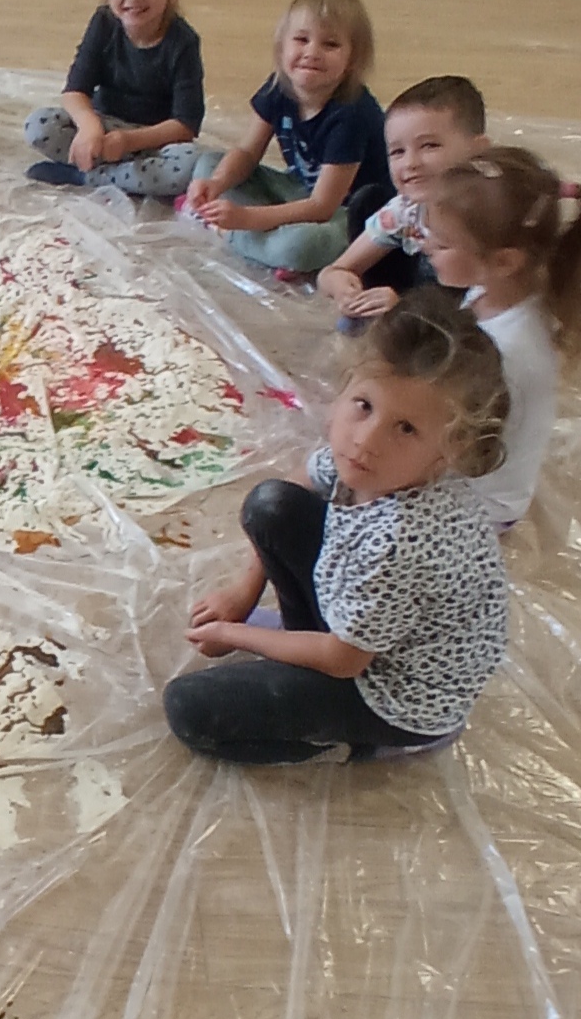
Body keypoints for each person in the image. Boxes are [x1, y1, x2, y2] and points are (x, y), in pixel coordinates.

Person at [163, 290, 508, 765]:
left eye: (406, 429)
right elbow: (296, 486)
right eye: (363, 405)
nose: (365, 440)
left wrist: (233, 634)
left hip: (392, 694)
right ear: (344, 390)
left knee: (189, 709)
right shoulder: (373, 465)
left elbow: (344, 661)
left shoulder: (401, 542)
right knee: (270, 503)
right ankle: (303, 637)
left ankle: (366, 742)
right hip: (365, 630)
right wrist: (243, 593)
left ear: (451, 450)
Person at [422, 147, 581, 527]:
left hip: (481, 506)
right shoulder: (496, 291)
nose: (426, 246)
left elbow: (461, 443)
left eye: (442, 244)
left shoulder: (510, 349)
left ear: (505, 261)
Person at [183, 0, 391, 276]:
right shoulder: (280, 86)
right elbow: (247, 153)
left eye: (330, 44)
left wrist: (247, 218)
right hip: (300, 189)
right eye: (302, 39)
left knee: (299, 247)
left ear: (352, 61)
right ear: (282, 48)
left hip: (348, 214)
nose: (312, 53)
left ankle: (236, 234)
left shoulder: (352, 113)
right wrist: (216, 183)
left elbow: (322, 206)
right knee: (208, 164)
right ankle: (258, 241)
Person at [24, 0, 204, 199]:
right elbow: (74, 91)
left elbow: (185, 125)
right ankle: (120, 176)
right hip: (103, 128)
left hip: (151, 141)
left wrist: (128, 140)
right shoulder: (103, 23)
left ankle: (84, 175)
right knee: (39, 125)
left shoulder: (183, 42)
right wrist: (89, 127)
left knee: (189, 164)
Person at [317, 75, 488, 326]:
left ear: (479, 150)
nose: (410, 163)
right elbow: (332, 272)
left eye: (430, 146)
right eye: (397, 151)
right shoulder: (406, 211)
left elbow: (489, 317)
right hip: (417, 307)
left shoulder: (492, 215)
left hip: (464, 327)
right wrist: (342, 286)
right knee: (368, 200)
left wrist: (405, 309)